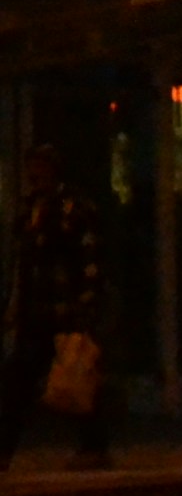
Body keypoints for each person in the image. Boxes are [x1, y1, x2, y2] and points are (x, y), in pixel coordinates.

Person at [2, 133, 115, 470]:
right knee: (19, 382)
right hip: (36, 311)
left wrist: (85, 305)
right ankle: (6, 448)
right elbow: (23, 265)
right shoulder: (30, 210)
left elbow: (89, 258)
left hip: (65, 312)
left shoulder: (73, 209)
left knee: (73, 378)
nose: (35, 175)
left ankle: (93, 445)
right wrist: (14, 304)